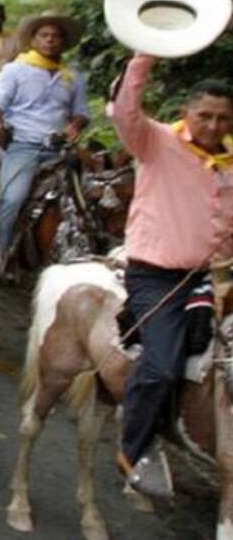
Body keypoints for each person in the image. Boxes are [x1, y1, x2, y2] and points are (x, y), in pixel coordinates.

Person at [110, 57, 233, 497]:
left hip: (212, 278)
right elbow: (125, 110)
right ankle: (133, 451)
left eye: (222, 118)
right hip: (155, 277)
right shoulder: (156, 141)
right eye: (205, 115)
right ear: (185, 113)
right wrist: (145, 57)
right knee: (162, 366)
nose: (213, 125)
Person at [0, 11, 90, 268]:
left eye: (56, 36)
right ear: (33, 40)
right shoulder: (15, 70)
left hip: (61, 147)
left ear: (63, 42)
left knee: (95, 195)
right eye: (44, 35)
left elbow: (81, 113)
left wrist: (75, 126)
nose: (50, 40)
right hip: (24, 145)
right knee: (12, 199)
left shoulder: (72, 75)